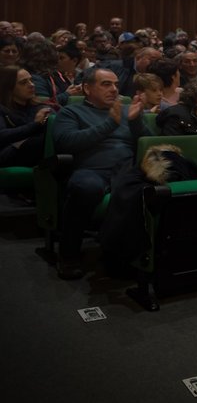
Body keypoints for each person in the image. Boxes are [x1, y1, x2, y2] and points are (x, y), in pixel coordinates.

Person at [52, 67, 150, 279]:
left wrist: (135, 123)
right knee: (86, 187)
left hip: (126, 170)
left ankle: (122, 254)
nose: (114, 89)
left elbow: (148, 144)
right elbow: (66, 143)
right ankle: (68, 254)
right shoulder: (70, 112)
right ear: (87, 88)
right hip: (91, 169)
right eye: (106, 84)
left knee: (151, 186)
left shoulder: (126, 111)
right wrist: (108, 125)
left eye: (115, 84)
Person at [0, 66, 51, 167]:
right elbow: (2, 135)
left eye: (31, 80)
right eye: (23, 83)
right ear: (8, 87)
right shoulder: (2, 108)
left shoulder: (38, 106)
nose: (31, 85)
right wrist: (35, 124)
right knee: (42, 140)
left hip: (33, 151)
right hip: (7, 154)